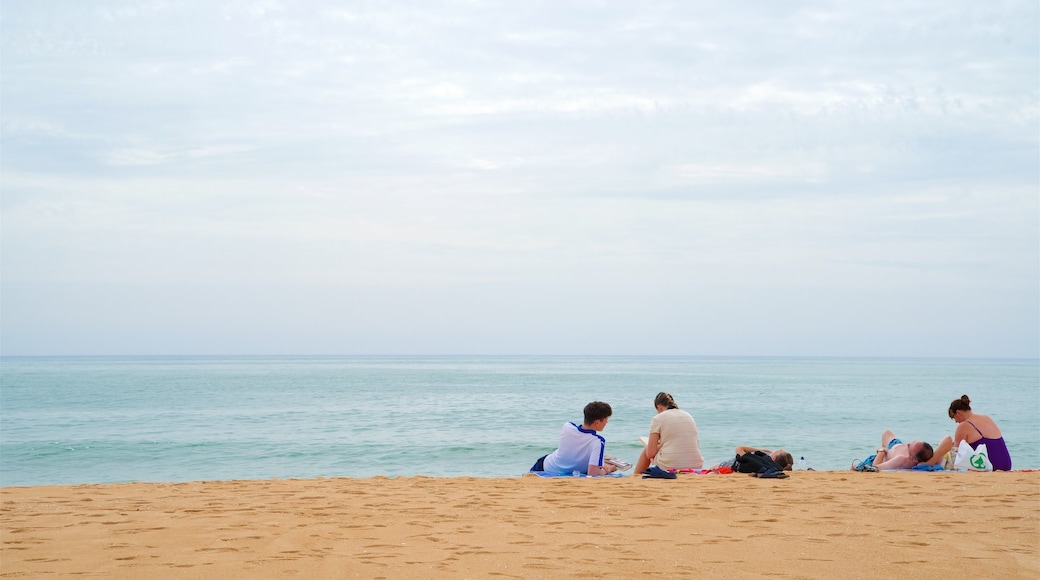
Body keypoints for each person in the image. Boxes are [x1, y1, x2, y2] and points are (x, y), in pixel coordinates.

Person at [530, 401, 617, 476]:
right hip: (557, 471)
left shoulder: (567, 426)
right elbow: (592, 473)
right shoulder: (598, 441)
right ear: (597, 422)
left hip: (545, 465)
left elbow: (575, 449)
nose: (607, 422)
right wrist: (608, 469)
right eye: (606, 419)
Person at [634, 392, 703, 474]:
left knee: (646, 450)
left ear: (659, 407)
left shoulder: (658, 418)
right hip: (696, 464)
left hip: (670, 465)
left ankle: (635, 476)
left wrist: (659, 445)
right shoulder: (688, 415)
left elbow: (650, 454)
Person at [949, 395, 1012, 471]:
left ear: (958, 413)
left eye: (953, 417)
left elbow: (956, 454)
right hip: (1006, 464)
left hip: (990, 465)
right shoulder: (986, 418)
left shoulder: (963, 426)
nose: (956, 421)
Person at [852, 429, 951, 471]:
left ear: (914, 460)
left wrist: (882, 452)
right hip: (896, 444)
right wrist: (930, 462)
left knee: (855, 466)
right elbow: (949, 439)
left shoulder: (901, 459)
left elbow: (875, 467)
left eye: (909, 447)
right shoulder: (931, 457)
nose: (908, 444)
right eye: (912, 442)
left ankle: (884, 458)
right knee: (886, 433)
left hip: (888, 453)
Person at [714, 446, 794, 472]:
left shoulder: (758, 458)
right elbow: (767, 451)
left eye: (779, 451)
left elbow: (739, 449)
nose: (779, 449)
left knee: (713, 468)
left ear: (773, 458)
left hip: (727, 465)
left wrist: (757, 451)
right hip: (735, 464)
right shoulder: (770, 463)